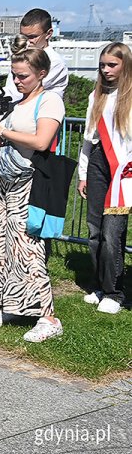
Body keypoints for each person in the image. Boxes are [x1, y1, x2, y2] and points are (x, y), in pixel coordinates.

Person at [0, 37, 65, 342]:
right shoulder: (16, 103)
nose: (17, 80)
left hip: (28, 181)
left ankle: (47, 316)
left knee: (27, 248)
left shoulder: (49, 100)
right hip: (3, 178)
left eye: (23, 75)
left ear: (41, 73)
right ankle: (10, 303)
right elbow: (0, 145)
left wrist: (1, 129)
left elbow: (41, 141)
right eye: (14, 74)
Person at [77, 42, 131, 315]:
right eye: (103, 65)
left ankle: (115, 291)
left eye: (112, 65)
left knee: (113, 232)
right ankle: (100, 284)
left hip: (125, 168)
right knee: (95, 230)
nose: (106, 70)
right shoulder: (96, 95)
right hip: (99, 163)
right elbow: (88, 139)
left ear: (125, 65)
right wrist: (83, 173)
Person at [4, 8, 68, 101]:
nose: (27, 41)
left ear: (49, 34)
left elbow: (18, 92)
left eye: (32, 37)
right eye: (23, 36)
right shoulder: (21, 56)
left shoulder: (55, 62)